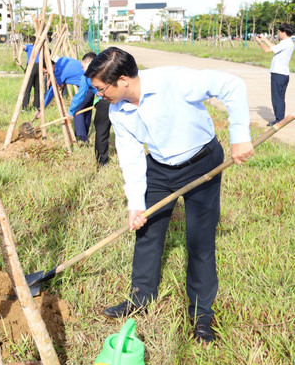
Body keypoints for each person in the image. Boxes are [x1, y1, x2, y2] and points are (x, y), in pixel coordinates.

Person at [85, 47, 253, 343]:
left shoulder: (173, 80)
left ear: (122, 80)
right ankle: (141, 297)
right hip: (160, 168)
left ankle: (201, 315)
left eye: (101, 89)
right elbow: (132, 157)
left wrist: (240, 137)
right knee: (146, 230)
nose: (99, 95)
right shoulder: (118, 110)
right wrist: (135, 204)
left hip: (203, 163)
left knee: (199, 238)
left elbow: (232, 85)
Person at [67, 52, 111, 164]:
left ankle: (102, 162)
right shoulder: (107, 68)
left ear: (89, 63)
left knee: (101, 130)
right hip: (117, 99)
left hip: (105, 102)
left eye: (83, 67)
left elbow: (80, 95)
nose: (83, 70)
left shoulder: (86, 77)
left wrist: (71, 111)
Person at [254, 23, 294, 126]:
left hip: (278, 74)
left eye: (279, 32)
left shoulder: (285, 43)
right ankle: (280, 118)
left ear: (283, 33)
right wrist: (264, 38)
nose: (278, 34)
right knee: (280, 97)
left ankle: (279, 120)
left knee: (277, 97)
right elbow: (274, 47)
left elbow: (267, 50)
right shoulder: (288, 42)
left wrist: (259, 42)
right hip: (283, 74)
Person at [21, 43, 44, 111]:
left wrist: (20, 59)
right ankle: (36, 107)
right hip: (39, 67)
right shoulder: (42, 48)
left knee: (28, 88)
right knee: (37, 89)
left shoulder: (30, 47)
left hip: (32, 67)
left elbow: (21, 47)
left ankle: (25, 108)